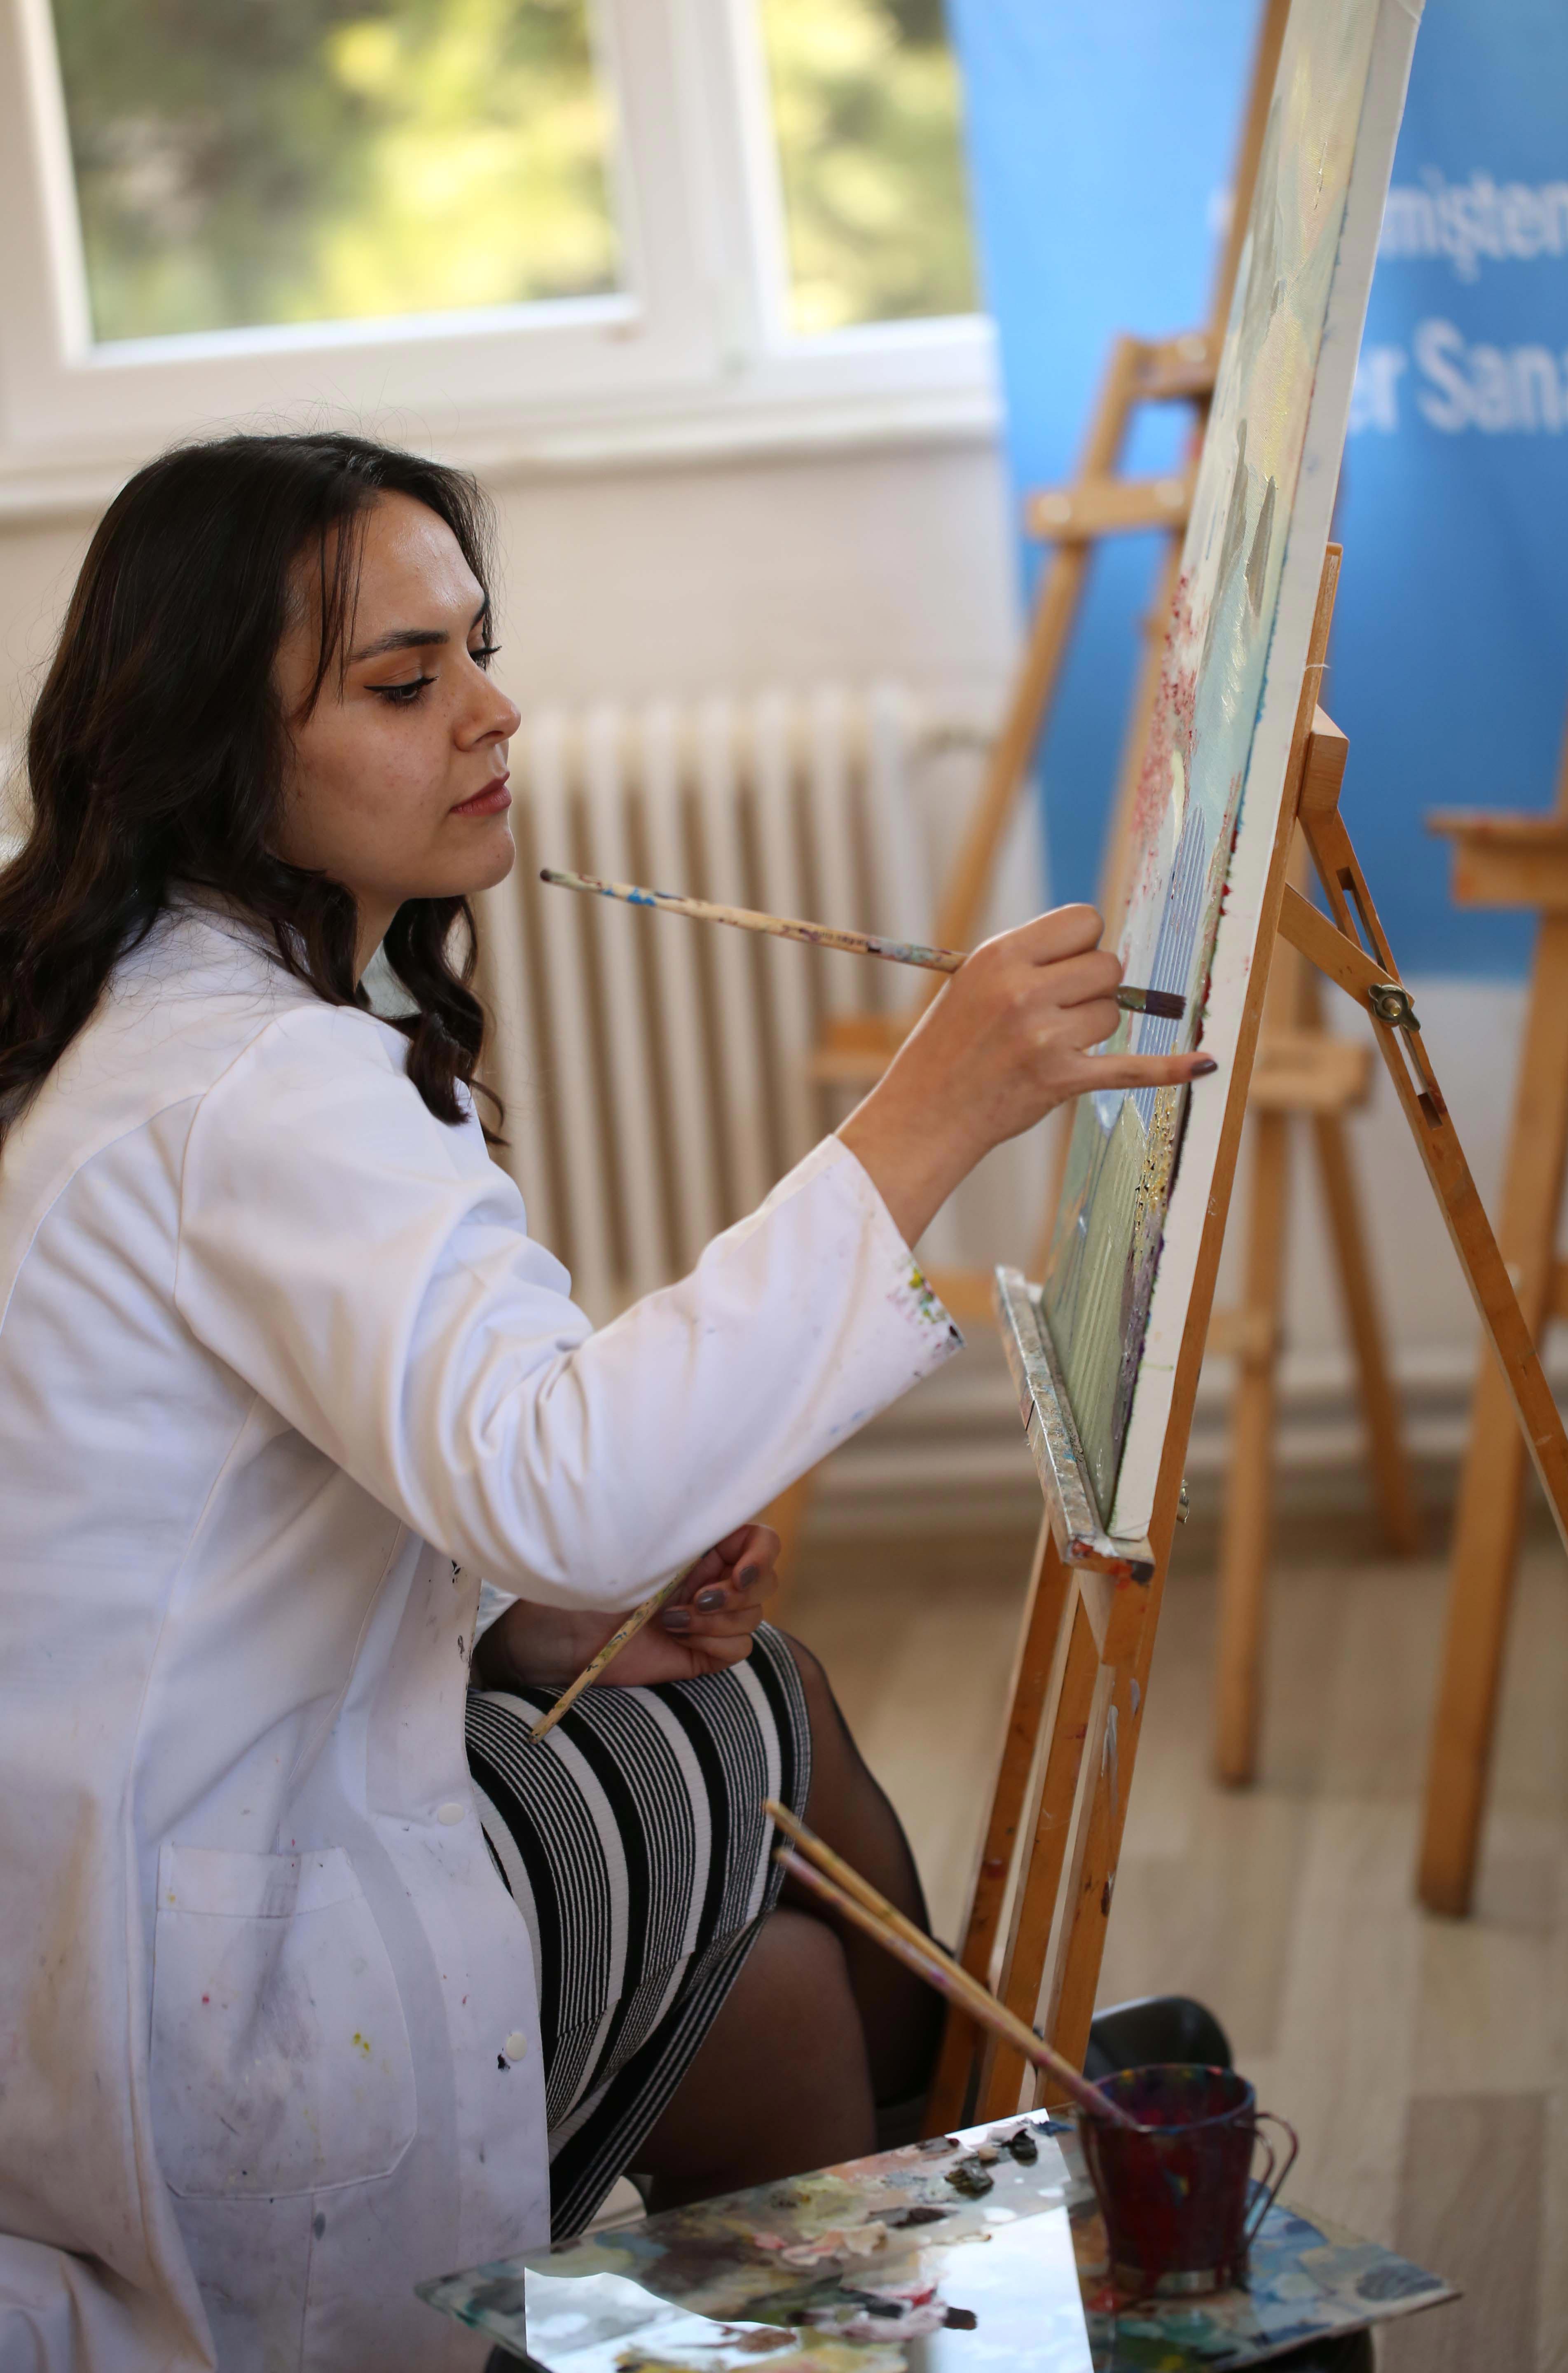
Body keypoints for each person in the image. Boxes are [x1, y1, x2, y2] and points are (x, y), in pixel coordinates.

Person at [0, 431, 1213, 2372]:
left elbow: (208, 1531)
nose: (492, 714)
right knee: (749, 1710)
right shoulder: (259, 1082)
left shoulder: (130, 1010)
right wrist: (931, 1116)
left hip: (112, 1943)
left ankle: (985, 2225)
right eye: (406, 684)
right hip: (209, 2013)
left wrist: (519, 1623)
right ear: (217, 748)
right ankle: (1019, 2200)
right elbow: (564, 1481)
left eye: (477, 654)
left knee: (782, 1989)